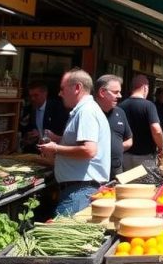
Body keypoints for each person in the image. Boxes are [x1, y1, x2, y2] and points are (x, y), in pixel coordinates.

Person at [38, 69, 110, 216]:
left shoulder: (86, 111)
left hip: (79, 191)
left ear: (77, 88)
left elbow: (89, 150)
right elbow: (82, 144)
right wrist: (58, 139)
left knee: (58, 237)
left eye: (63, 89)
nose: (59, 93)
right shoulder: (84, 110)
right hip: (79, 190)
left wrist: (56, 148)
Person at [118, 74, 163, 172]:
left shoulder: (121, 106)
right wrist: (161, 147)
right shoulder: (149, 106)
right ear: (145, 88)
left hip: (125, 156)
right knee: (145, 186)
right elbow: (156, 130)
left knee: (127, 186)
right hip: (145, 158)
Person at [93, 74, 132, 179]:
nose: (120, 96)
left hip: (116, 171)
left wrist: (117, 148)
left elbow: (129, 140)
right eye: (116, 92)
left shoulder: (120, 112)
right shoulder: (89, 113)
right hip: (94, 173)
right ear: (102, 92)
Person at [20, 82, 69, 153]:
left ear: (45, 94)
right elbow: (24, 130)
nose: (32, 99)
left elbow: (61, 132)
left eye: (36, 95)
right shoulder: (28, 109)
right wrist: (28, 137)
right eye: (31, 96)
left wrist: (41, 134)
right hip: (34, 151)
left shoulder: (57, 108)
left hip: (53, 151)